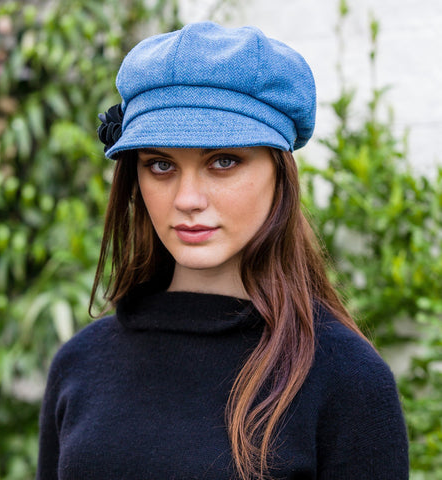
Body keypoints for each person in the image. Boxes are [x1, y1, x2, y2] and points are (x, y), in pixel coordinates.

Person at [36, 21, 409, 480]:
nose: (187, 198)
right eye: (160, 164)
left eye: (223, 161)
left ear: (280, 172)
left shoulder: (346, 379)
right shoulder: (80, 365)